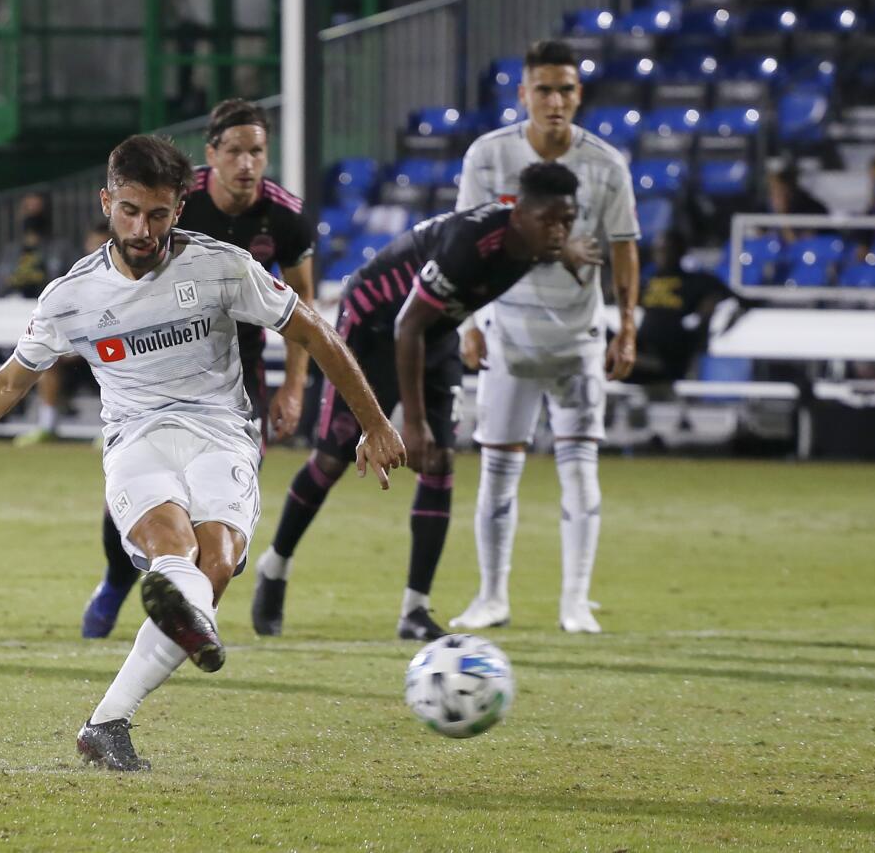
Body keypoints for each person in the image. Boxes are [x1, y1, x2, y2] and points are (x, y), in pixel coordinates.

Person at [0, 135, 404, 772]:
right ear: (107, 202)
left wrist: (373, 423)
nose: (141, 229)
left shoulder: (222, 266)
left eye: (156, 214)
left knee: (220, 564)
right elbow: (9, 382)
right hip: (136, 437)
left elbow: (313, 329)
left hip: (221, 431)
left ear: (179, 208)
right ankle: (172, 633)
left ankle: (107, 721)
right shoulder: (72, 297)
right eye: (128, 211)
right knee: (173, 551)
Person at [250, 162, 601, 640]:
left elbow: (428, 323)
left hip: (433, 334)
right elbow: (406, 324)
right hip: (375, 326)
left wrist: (567, 251)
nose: (560, 231)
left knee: (438, 462)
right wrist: (410, 423)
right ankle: (275, 567)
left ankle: (414, 610)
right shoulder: (469, 245)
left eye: (568, 221)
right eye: (552, 221)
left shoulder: (534, 236)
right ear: (520, 213)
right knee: (332, 459)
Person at [80, 98, 316, 638]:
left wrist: (294, 387)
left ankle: (190, 612)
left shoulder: (286, 216)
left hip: (240, 370)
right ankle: (118, 580)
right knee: (140, 483)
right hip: (160, 362)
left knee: (224, 493)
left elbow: (304, 307)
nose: (246, 163)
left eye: (257, 150)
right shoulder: (173, 198)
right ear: (212, 153)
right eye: (234, 151)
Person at [449, 40, 640, 635]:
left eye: (566, 90)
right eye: (544, 89)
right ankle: (492, 597)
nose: (555, 101)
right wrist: (469, 321)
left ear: (579, 95)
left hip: (580, 337)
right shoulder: (488, 155)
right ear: (523, 94)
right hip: (508, 333)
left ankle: (575, 602)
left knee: (580, 469)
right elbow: (462, 240)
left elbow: (626, 247)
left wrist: (626, 325)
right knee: (498, 470)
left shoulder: (606, 164)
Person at [0, 192, 81, 446]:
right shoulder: (10, 252)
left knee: (47, 356)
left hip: (48, 325)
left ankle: (47, 423)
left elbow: (70, 289)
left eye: (37, 209)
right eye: (28, 208)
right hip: (8, 325)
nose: (33, 214)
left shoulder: (61, 249)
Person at [626, 230, 737, 386]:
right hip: (641, 349)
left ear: (681, 251)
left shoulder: (696, 281)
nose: (662, 254)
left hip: (669, 357)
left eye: (668, 249)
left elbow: (736, 298)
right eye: (659, 249)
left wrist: (709, 314)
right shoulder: (648, 280)